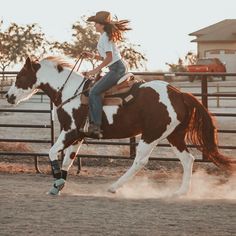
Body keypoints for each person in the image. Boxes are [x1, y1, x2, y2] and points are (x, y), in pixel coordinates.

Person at [82, 11, 131, 138]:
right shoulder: (104, 36)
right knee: (95, 90)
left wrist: (94, 71)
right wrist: (92, 55)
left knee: (94, 92)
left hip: (116, 69)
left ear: (102, 24)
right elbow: (106, 56)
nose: (94, 26)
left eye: (96, 23)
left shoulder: (105, 37)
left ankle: (96, 126)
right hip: (116, 67)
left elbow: (109, 58)